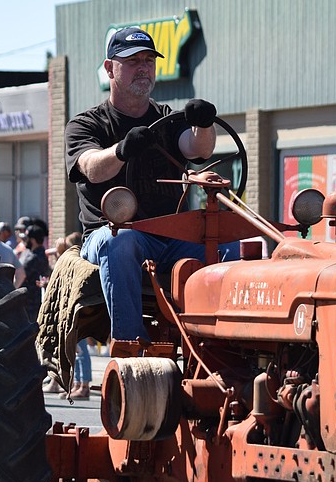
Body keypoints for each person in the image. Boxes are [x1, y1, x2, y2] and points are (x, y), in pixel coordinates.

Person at [65, 25, 233, 345]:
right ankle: (131, 347)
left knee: (235, 246)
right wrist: (122, 150)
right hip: (110, 235)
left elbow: (199, 149)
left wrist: (203, 123)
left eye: (149, 61)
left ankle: (227, 345)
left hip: (172, 237)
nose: (143, 67)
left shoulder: (167, 119)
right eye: (132, 61)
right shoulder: (86, 124)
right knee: (120, 242)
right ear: (109, 68)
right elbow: (90, 168)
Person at [19, 217, 51, 321]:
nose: (25, 241)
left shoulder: (35, 258)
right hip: (27, 301)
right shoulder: (31, 253)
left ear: (32, 240)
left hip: (31, 303)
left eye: (27, 239)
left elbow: (21, 273)